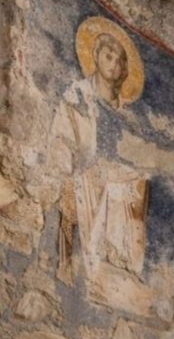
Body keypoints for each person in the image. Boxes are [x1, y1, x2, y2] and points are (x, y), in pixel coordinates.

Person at [50, 29, 148, 282]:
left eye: (120, 61)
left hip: (112, 174)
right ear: (95, 56)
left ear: (126, 70)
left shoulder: (126, 114)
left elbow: (132, 151)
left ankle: (121, 260)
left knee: (138, 182)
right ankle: (89, 260)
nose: (114, 65)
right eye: (109, 56)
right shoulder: (77, 94)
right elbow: (62, 136)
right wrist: (72, 162)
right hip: (83, 169)